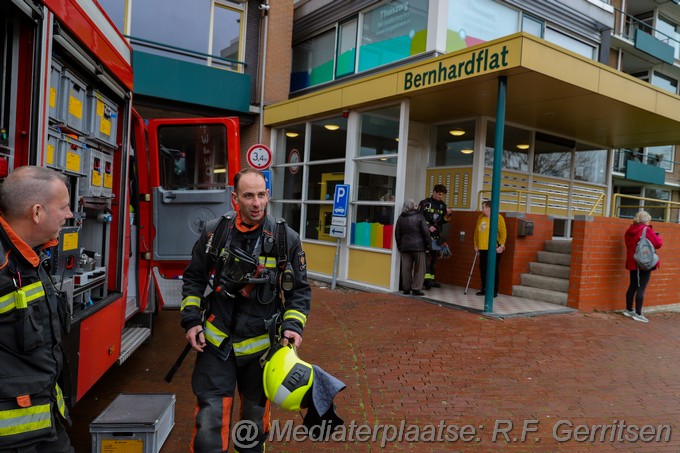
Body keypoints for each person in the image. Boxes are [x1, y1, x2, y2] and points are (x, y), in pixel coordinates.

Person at [180, 168, 311, 452]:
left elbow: (299, 291)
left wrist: (293, 326)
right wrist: (191, 320)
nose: (256, 203)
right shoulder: (215, 232)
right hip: (216, 345)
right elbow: (193, 278)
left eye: (261, 195)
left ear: (268, 196)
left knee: (253, 426)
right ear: (234, 199)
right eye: (248, 195)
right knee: (209, 422)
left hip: (261, 353)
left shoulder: (285, 239)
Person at [0, 166, 74, 452]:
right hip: (13, 435)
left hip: (41, 420)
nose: (69, 215)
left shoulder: (28, 256)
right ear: (37, 212)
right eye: (64, 207)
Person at [623, 210, 662, 323]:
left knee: (633, 285)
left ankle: (629, 309)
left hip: (632, 261)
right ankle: (638, 314)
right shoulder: (647, 230)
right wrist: (657, 236)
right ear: (646, 220)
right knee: (641, 287)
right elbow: (658, 244)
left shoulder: (629, 230)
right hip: (644, 262)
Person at [418, 184, 453, 289]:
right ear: (433, 192)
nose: (440, 197)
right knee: (426, 258)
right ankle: (426, 280)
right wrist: (428, 226)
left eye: (442, 195)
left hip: (437, 236)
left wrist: (448, 214)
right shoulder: (424, 203)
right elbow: (419, 218)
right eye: (439, 194)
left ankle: (432, 280)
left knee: (434, 259)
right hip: (425, 234)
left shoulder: (442, 205)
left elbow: (444, 221)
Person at [394, 199, 431, 296]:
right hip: (419, 247)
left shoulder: (400, 218)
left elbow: (397, 234)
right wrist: (428, 246)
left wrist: (400, 245)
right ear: (412, 206)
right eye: (414, 205)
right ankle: (416, 288)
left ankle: (406, 288)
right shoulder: (419, 216)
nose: (416, 206)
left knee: (406, 268)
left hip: (405, 247)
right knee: (420, 268)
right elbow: (426, 232)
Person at [473, 200, 507, 297]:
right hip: (482, 247)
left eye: (484, 207)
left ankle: (494, 290)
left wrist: (501, 245)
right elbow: (476, 232)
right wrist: (476, 244)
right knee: (483, 269)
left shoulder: (498, 217)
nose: (482, 209)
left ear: (490, 208)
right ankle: (484, 288)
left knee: (493, 269)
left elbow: (503, 233)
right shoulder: (481, 217)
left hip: (494, 248)